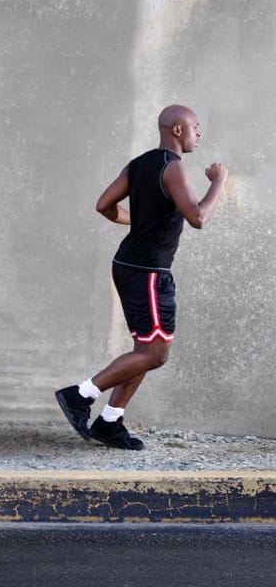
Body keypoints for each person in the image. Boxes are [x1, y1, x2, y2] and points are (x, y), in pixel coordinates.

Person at [56, 104, 228, 450]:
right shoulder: (173, 167)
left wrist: (141, 221)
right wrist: (219, 183)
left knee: (145, 349)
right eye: (195, 126)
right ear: (176, 130)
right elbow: (197, 218)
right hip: (149, 272)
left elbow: (103, 205)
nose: (199, 132)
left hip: (130, 265)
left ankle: (109, 422)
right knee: (155, 354)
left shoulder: (139, 164)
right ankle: (80, 394)